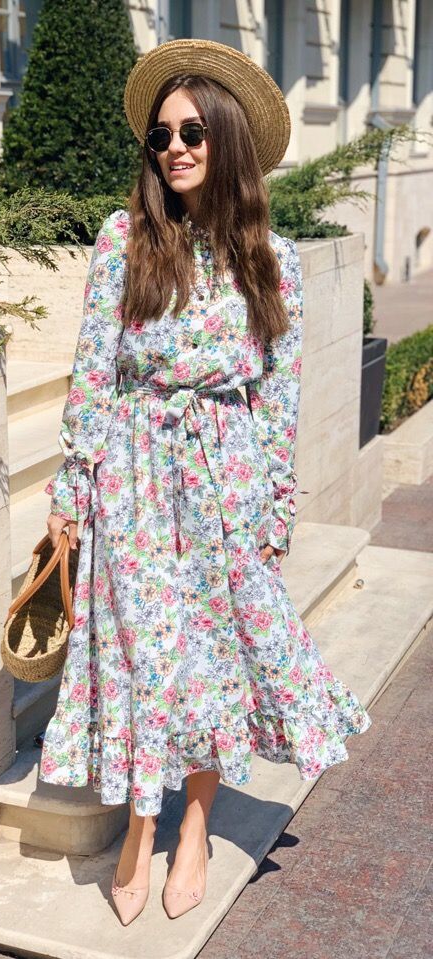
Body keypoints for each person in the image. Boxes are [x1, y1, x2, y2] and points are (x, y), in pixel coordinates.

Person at [37, 38, 373, 926]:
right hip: (135, 478)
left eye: (192, 131)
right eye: (161, 136)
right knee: (146, 652)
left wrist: (273, 511)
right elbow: (93, 374)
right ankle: (140, 823)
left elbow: (278, 400)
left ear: (227, 138)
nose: (175, 148)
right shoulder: (123, 241)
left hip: (226, 478)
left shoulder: (273, 259)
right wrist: (73, 491)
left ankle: (193, 825)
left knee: (213, 657)